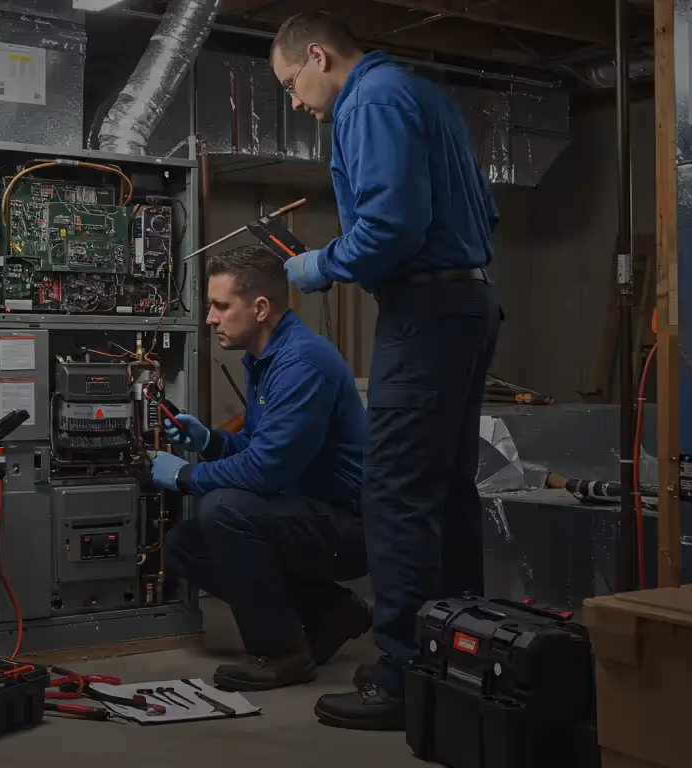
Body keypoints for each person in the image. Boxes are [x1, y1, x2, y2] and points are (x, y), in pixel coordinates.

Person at [271, 12, 502, 730]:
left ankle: (403, 674)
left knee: (396, 490)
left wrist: (321, 265)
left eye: (291, 84)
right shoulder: (424, 95)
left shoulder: (368, 100)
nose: (296, 103)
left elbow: (392, 227)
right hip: (468, 303)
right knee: (447, 489)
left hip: (423, 311)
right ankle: (462, 659)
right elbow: (481, 212)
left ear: (317, 55)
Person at [148, 244, 370, 693]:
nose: (210, 318)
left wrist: (185, 476)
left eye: (220, 306)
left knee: (223, 509)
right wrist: (210, 441)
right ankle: (330, 612)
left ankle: (281, 653)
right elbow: (259, 447)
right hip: (304, 511)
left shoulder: (301, 362)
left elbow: (268, 472)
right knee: (183, 545)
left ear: (261, 307)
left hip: (351, 526)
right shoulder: (264, 358)